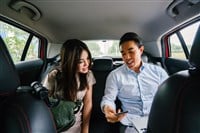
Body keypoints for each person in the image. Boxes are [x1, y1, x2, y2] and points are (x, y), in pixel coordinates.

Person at [100, 32, 168, 133]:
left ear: (141, 50)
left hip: (157, 120)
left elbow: (170, 97)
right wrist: (108, 109)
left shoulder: (158, 72)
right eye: (123, 53)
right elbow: (108, 99)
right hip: (131, 124)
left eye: (131, 51)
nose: (126, 57)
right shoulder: (115, 75)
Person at [43, 39, 96, 133]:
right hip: (56, 124)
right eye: (81, 61)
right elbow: (45, 103)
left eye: (88, 58)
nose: (87, 64)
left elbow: (88, 103)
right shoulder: (54, 75)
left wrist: (85, 129)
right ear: (70, 61)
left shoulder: (88, 75)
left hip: (74, 124)